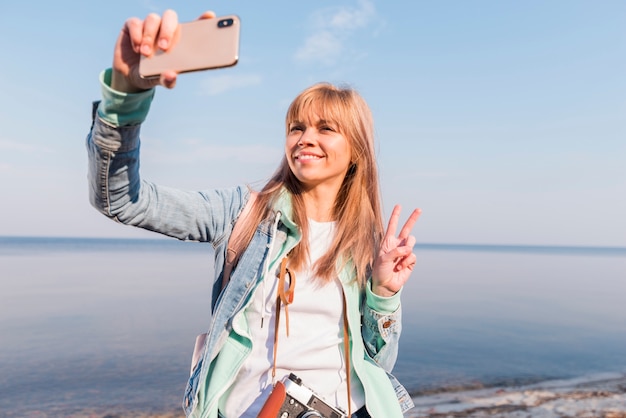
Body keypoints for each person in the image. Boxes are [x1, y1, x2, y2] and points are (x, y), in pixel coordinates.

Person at [86, 9, 421, 418]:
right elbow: (121, 200)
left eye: (325, 129)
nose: (305, 138)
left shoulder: (365, 243)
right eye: (296, 127)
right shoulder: (241, 214)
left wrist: (385, 293)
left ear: (356, 153)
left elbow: (377, 366)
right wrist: (125, 97)